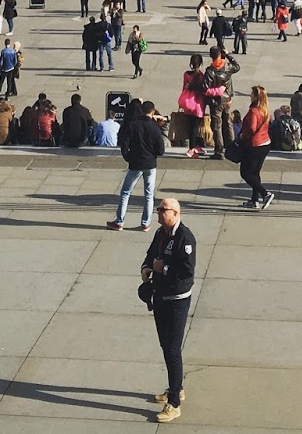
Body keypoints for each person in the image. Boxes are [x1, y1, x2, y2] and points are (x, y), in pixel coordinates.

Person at [142, 195, 195, 424]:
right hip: (160, 296)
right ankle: (176, 387)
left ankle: (174, 404)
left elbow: (186, 271)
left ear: (175, 213)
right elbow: (151, 254)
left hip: (176, 300)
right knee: (165, 345)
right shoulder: (160, 233)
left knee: (172, 350)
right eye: (159, 209)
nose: (159, 212)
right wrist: (146, 268)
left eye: (163, 209)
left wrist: (162, 269)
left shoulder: (185, 238)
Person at [108, 99, 168, 231]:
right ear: (152, 112)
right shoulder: (154, 127)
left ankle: (119, 221)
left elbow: (124, 144)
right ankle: (146, 223)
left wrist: (128, 157)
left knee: (125, 192)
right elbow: (161, 150)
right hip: (150, 164)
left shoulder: (133, 125)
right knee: (149, 194)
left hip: (135, 163)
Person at [238, 85, 274, 211]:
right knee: (255, 173)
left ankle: (265, 193)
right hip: (265, 143)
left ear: (256, 96)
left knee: (245, 173)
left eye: (252, 94)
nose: (250, 95)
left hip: (255, 145)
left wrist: (242, 136)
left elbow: (252, 128)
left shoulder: (254, 111)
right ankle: (254, 199)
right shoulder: (265, 110)